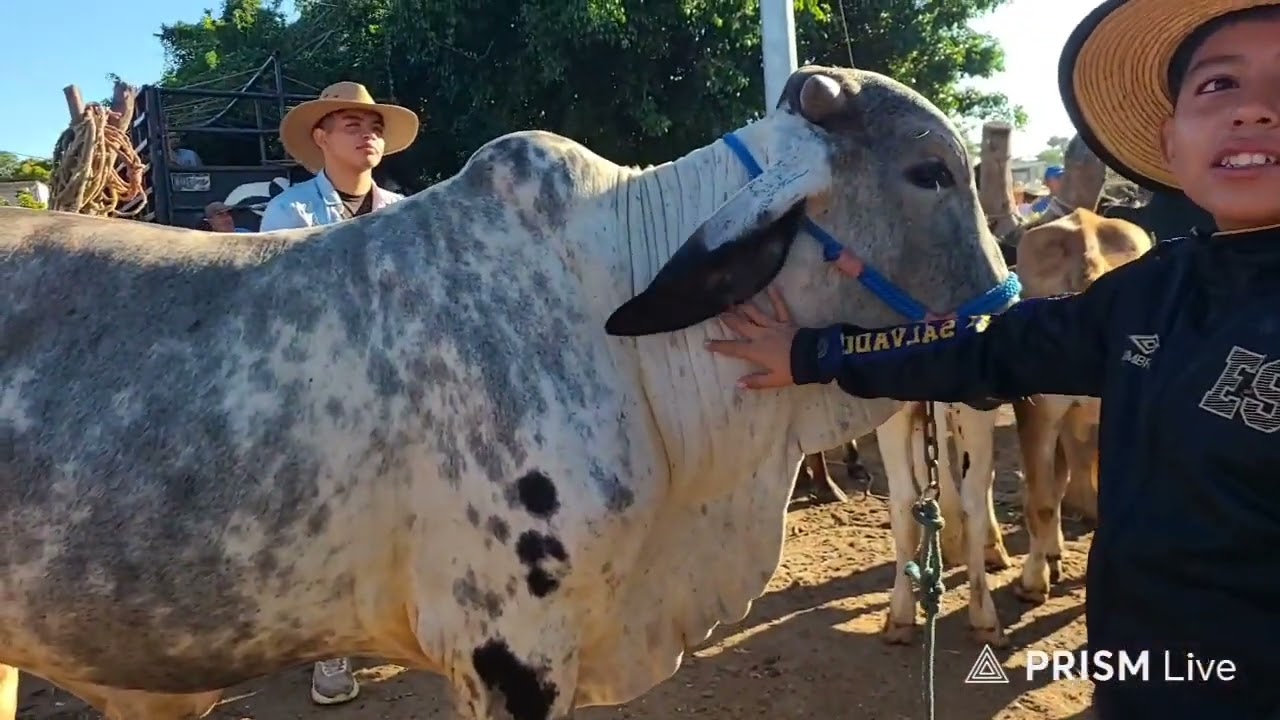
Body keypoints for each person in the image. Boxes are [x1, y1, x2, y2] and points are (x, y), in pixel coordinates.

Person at [704, 1, 1280, 718]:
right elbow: (989, 345)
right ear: (1170, 142)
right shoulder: (1149, 291)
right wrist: (816, 351)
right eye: (1220, 86)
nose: (1255, 111)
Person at [259, 80, 420, 706]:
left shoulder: (405, 212)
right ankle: (327, 646)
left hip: (392, 389)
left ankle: (388, 623)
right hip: (313, 390)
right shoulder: (288, 213)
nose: (367, 133)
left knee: (392, 513)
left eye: (374, 124)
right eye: (350, 124)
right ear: (320, 137)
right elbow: (282, 305)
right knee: (322, 520)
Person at [260, 81, 418, 233]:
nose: (369, 136)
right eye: (353, 126)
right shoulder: (291, 210)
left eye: (376, 129)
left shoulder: (400, 210)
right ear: (321, 138)